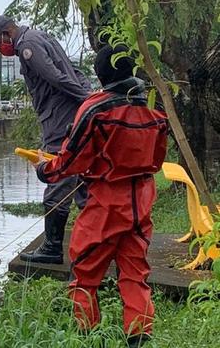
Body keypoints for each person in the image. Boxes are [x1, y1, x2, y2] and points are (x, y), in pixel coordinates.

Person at [33, 44, 168, 347]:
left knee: (84, 273)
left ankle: (86, 335)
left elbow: (71, 159)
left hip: (106, 204)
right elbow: (157, 162)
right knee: (135, 274)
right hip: (141, 203)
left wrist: (45, 169)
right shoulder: (154, 112)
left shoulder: (96, 108)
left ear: (100, 74)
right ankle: (139, 339)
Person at [0, 15, 91, 264]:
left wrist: (87, 99)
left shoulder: (26, 46)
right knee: (82, 176)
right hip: (71, 115)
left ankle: (52, 248)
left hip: (58, 119)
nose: (2, 50)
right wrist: (87, 97)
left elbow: (56, 77)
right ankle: (98, 241)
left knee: (57, 172)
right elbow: (74, 70)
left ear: (5, 35)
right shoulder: (43, 36)